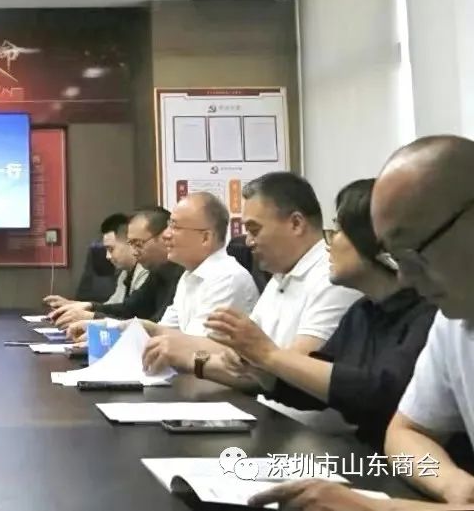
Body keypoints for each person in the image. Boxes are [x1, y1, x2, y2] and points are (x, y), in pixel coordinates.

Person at [252, 135, 474, 510]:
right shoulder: (454, 321)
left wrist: (374, 507)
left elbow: (378, 392)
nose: (404, 276)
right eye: (395, 256)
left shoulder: (434, 310)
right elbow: (406, 431)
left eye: (413, 251)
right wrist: (455, 485)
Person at [207, 179, 435, 450]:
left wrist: (269, 355)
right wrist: (260, 367)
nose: (329, 243)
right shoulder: (363, 311)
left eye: (338, 231)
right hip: (364, 455)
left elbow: (383, 392)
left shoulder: (429, 313)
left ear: (376, 240)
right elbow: (315, 393)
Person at [191, 173, 363, 408]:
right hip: (271, 415)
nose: (248, 242)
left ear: (296, 224)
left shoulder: (333, 276)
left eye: (254, 230)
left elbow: (294, 374)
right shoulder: (280, 274)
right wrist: (239, 353)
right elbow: (245, 360)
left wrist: (252, 355)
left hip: (306, 427)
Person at [140, 192, 259, 374]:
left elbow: (191, 346)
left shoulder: (227, 277)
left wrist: (153, 331)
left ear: (205, 238)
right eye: (168, 225)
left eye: (175, 227)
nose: (166, 235)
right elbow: (167, 330)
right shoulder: (189, 275)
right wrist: (136, 328)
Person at [57, 207, 184, 332]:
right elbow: (130, 308)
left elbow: (156, 327)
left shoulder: (182, 274)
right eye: (131, 244)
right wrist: (90, 308)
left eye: (138, 244)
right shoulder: (159, 272)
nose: (134, 252)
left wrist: (94, 318)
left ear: (165, 238)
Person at [44, 213, 130, 310]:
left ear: (130, 244)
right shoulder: (125, 274)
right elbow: (110, 308)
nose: (107, 256)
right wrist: (70, 304)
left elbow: (125, 313)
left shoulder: (142, 274)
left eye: (111, 249)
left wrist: (89, 313)